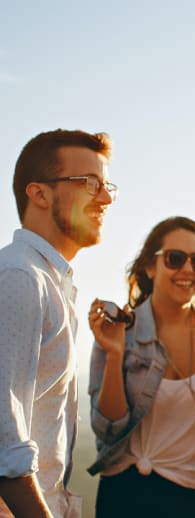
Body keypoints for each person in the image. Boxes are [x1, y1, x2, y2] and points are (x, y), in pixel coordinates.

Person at [87, 216, 195, 518]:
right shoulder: (119, 331)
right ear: (150, 266)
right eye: (175, 259)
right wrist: (114, 354)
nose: (187, 270)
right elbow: (108, 430)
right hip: (126, 498)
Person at [0, 129, 115, 517]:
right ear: (40, 193)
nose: (106, 197)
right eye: (90, 183)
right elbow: (4, 440)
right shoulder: (20, 277)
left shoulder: (50, 281)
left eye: (106, 184)